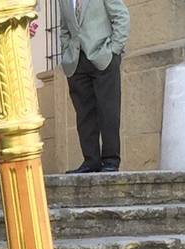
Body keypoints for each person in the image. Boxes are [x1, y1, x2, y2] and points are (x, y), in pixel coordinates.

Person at [59, 0, 130, 173]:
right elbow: (64, 29)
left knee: (108, 110)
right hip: (76, 62)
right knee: (84, 114)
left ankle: (111, 161)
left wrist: (114, 49)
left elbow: (121, 16)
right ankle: (91, 161)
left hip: (104, 57)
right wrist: (66, 52)